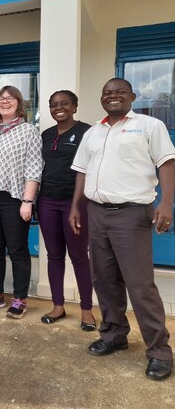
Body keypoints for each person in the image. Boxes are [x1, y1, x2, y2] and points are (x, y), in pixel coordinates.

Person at [69, 77, 175, 381]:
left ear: (132, 95)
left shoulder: (149, 126)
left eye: (119, 92)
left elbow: (167, 163)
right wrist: (77, 206)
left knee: (140, 285)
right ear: (101, 98)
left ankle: (159, 352)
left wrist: (166, 203)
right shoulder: (93, 132)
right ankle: (114, 334)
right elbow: (82, 172)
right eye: (107, 93)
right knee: (103, 279)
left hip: (131, 215)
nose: (112, 96)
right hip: (97, 213)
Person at [0, 86, 43, 318]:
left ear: (19, 103)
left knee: (17, 250)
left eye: (10, 98)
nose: (5, 101)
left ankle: (20, 298)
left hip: (13, 198)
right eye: (1, 99)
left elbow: (34, 168)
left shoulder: (28, 131)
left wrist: (28, 200)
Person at [37, 91, 95, 330]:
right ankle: (58, 305)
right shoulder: (47, 134)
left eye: (64, 104)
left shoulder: (86, 132)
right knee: (54, 255)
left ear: (74, 106)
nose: (58, 108)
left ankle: (87, 310)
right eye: (54, 105)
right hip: (47, 201)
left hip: (77, 204)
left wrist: (78, 205)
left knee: (80, 257)